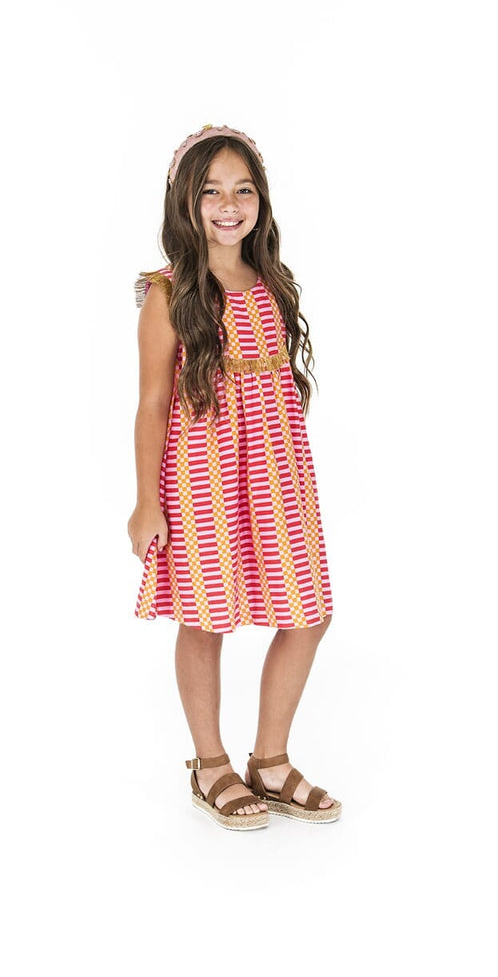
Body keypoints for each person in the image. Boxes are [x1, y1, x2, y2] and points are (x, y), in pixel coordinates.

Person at [127, 123, 341, 831]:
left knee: (309, 613)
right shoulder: (167, 293)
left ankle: (270, 761)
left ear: (261, 200)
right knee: (205, 615)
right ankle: (211, 763)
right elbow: (153, 403)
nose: (228, 205)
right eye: (211, 191)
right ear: (185, 202)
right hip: (202, 479)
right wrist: (146, 501)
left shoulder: (273, 281)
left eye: (242, 190)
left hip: (276, 473)